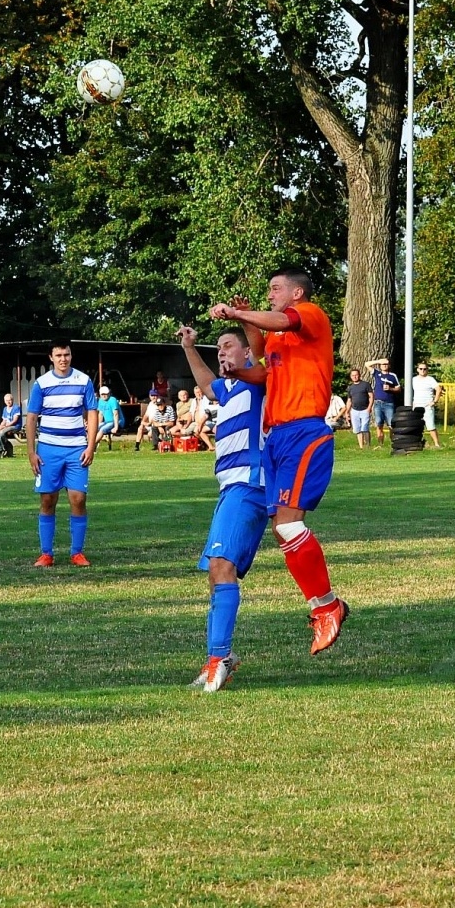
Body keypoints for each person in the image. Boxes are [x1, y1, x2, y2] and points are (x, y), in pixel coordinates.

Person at [210, 268, 350, 654]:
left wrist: (240, 316)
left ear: (297, 292)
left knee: (289, 527)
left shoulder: (311, 315)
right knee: (282, 530)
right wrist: (240, 365)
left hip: (304, 431)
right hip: (278, 438)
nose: (270, 294)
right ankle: (325, 606)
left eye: (276, 288)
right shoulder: (277, 337)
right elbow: (265, 366)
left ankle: (326, 607)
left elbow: (282, 321)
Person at [178, 324, 268, 691]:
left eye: (228, 346)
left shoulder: (258, 381)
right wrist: (189, 346)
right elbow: (205, 383)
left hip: (249, 484)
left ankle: (220, 658)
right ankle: (218, 657)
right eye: (218, 348)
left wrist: (245, 317)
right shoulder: (228, 390)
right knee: (215, 576)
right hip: (229, 488)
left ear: (247, 353)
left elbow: (261, 354)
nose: (221, 352)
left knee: (222, 566)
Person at [25, 339, 99, 566]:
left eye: (66, 354)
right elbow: (31, 418)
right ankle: (46, 554)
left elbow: (92, 413)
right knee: (48, 499)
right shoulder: (41, 383)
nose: (63, 359)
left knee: (78, 499)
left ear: (71, 355)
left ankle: (77, 552)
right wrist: (31, 451)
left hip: (76, 449)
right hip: (48, 449)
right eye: (58, 355)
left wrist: (90, 445)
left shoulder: (84, 380)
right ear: (51, 357)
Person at [367, 358, 401, 445]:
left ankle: (393, 443)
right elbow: (367, 364)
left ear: (389, 365)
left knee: (391, 424)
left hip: (389, 403)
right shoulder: (377, 373)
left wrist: (390, 389)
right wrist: (379, 361)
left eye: (386, 364)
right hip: (378, 403)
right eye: (383, 364)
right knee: (379, 424)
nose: (384, 365)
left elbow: (398, 389)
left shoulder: (392, 376)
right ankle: (380, 444)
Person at [412, 362, 444, 449]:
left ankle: (437, 444)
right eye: (421, 369)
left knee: (430, 426)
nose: (423, 371)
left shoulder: (430, 379)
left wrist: (435, 401)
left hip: (427, 406)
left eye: (425, 369)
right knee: (415, 425)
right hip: (416, 406)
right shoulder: (413, 379)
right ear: (418, 370)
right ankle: (417, 443)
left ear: (427, 370)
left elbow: (438, 389)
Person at [345, 368, 372, 450]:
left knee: (365, 428)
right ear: (351, 377)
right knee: (357, 429)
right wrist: (347, 412)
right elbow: (349, 400)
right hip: (354, 410)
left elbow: (371, 396)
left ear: (359, 375)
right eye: (353, 375)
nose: (355, 377)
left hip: (365, 410)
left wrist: (369, 407)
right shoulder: (350, 387)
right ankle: (361, 447)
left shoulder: (365, 384)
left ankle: (368, 446)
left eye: (356, 375)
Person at [0, 393, 22, 457]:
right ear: (4, 401)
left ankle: (6, 448)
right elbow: (4, 420)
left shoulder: (16, 408)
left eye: (10, 400)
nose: (8, 402)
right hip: (6, 426)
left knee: (1, 433)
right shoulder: (5, 409)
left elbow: (14, 420)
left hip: (15, 426)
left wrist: (4, 427)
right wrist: (0, 426)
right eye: (6, 400)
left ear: (12, 400)